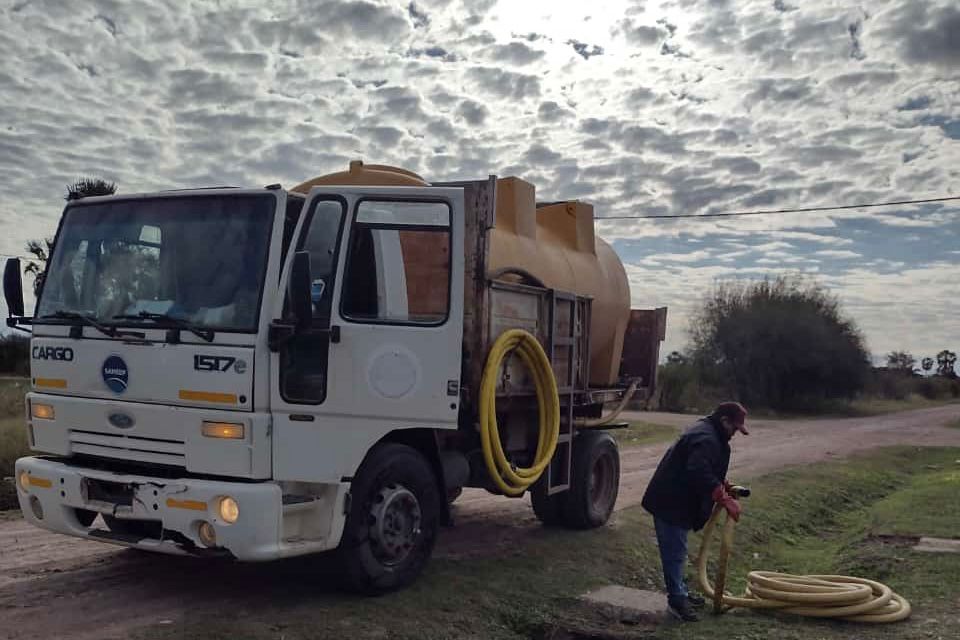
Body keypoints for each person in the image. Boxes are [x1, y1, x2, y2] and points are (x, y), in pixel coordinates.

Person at [641, 402, 749, 622]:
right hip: (670, 502)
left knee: (677, 550)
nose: (734, 434)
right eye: (734, 428)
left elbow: (705, 466)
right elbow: (697, 469)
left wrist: (723, 484)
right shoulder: (707, 437)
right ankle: (677, 601)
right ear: (724, 421)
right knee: (675, 553)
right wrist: (724, 498)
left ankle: (680, 591)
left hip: (675, 499)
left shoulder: (709, 431)